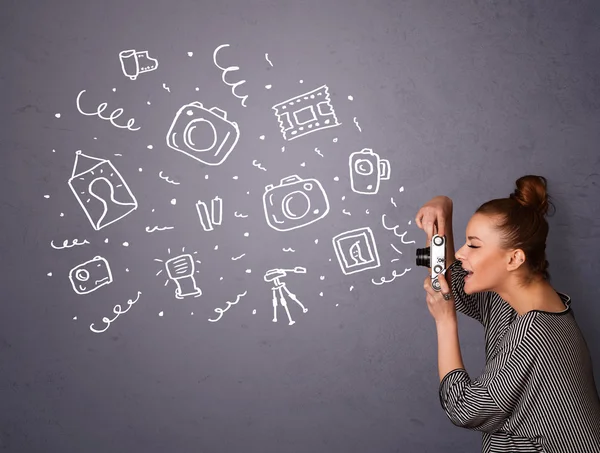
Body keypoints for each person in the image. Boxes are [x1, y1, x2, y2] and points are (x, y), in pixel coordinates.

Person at [415, 175, 600, 452]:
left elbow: (464, 408)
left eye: (474, 246)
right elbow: (454, 283)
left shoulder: (535, 332)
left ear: (514, 258)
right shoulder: (518, 301)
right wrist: (444, 208)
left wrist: (445, 320)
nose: (462, 253)